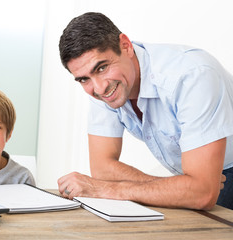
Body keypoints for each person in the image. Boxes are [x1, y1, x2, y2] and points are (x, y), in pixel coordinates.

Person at [57, 12, 233, 210]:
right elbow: (102, 168)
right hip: (193, 176)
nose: (97, 88)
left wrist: (106, 190)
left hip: (225, 175)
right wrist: (178, 187)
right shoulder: (105, 88)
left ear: (125, 45)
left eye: (102, 68)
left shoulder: (191, 77)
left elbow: (203, 193)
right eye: (83, 79)